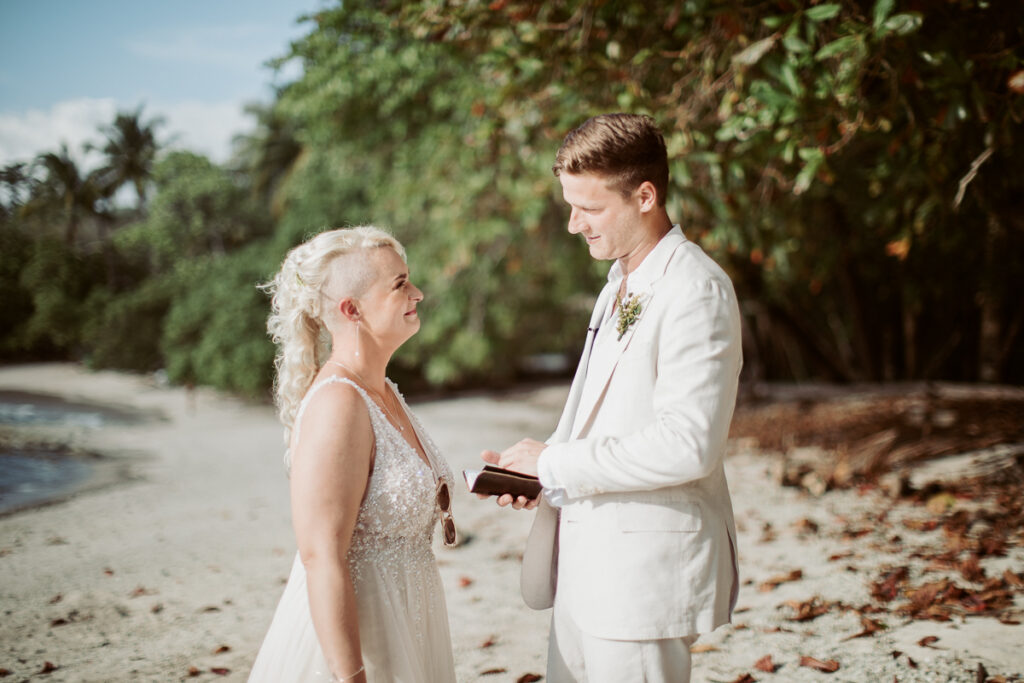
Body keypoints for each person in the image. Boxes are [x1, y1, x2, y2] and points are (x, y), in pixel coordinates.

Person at [482, 113, 742, 682]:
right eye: (570, 206)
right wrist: (539, 469)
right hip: (584, 564)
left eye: (590, 208)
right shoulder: (617, 282)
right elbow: (605, 416)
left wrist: (556, 462)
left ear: (645, 195)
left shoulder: (695, 289)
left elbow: (689, 444)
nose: (574, 225)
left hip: (642, 579)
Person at [249, 226, 457, 683]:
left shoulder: (384, 391)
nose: (417, 293)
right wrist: (352, 676)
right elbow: (320, 554)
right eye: (401, 284)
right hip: (361, 641)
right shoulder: (338, 404)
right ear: (352, 309)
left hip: (412, 622)